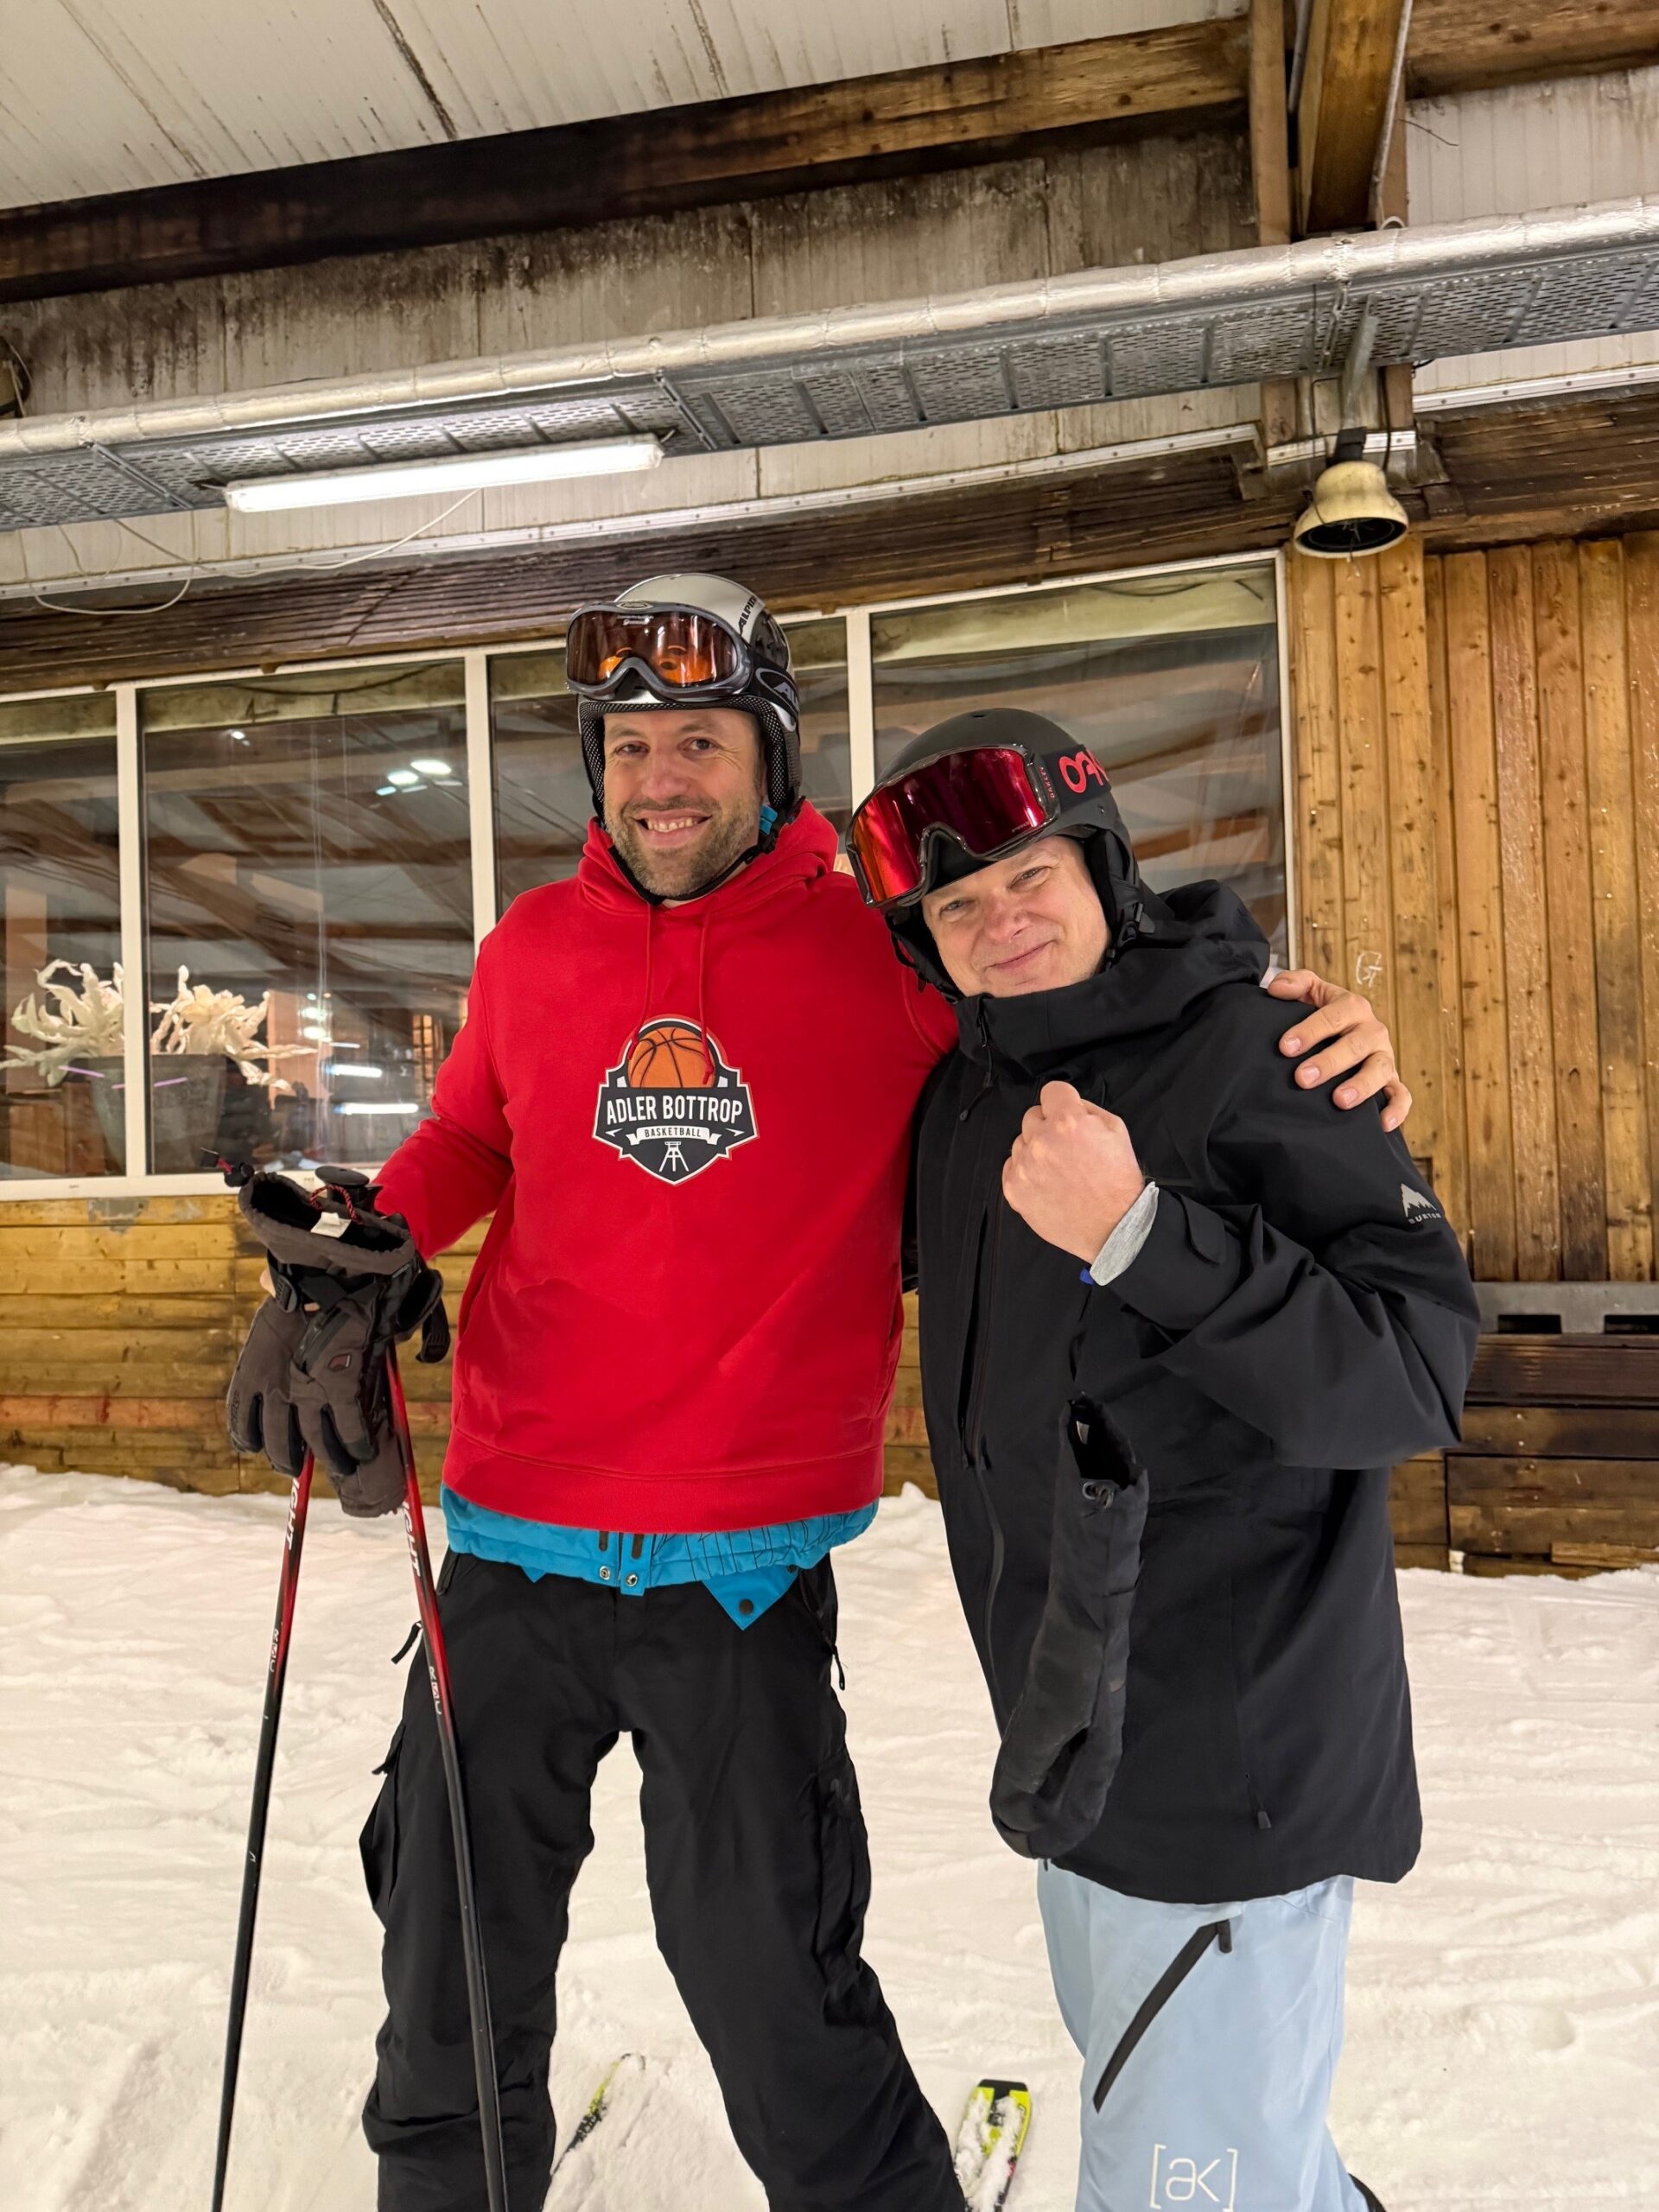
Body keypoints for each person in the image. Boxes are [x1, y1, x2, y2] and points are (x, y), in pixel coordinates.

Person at [226, 577, 1412, 2212]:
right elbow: (474, 1135)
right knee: (446, 1964)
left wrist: (1303, 1028)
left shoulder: (888, 955)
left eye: (700, 743)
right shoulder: (531, 948)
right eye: (628, 748)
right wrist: (378, 1240)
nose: (660, 781)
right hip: (508, 1548)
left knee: (773, 1985)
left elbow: (1083, 994)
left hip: (743, 1571)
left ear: (772, 756)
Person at [847, 708, 1480, 2212]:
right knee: (1231, 2152)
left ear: (1106, 867)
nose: (1001, 923)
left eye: (1030, 878)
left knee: (1188, 2180)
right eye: (957, 906)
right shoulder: (966, 1099)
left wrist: (1144, 1234)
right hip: (1078, 1746)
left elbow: (1412, 1371)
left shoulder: (1262, 1050)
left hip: (1229, 1770)